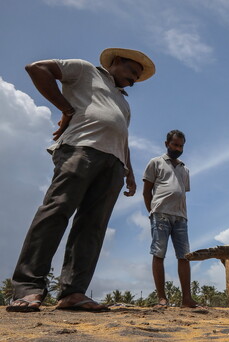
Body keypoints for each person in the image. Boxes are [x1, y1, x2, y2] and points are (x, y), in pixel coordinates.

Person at [7, 48, 155, 312]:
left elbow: (122, 136)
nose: (134, 80)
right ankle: (29, 288)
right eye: (132, 72)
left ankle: (73, 292)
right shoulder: (86, 70)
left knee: (93, 226)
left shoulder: (124, 102)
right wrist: (66, 108)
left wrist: (129, 171)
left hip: (114, 164)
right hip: (80, 149)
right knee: (55, 212)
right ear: (117, 61)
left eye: (137, 78)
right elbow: (37, 68)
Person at [143, 130, 199, 308]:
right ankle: (162, 298)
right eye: (175, 145)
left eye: (181, 146)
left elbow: (181, 192)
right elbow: (146, 191)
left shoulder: (184, 168)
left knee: (184, 257)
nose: (178, 148)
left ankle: (187, 300)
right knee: (159, 253)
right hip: (161, 214)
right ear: (166, 143)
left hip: (181, 217)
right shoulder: (156, 162)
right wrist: (152, 211)